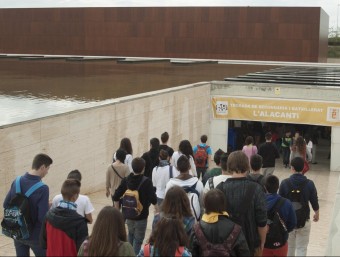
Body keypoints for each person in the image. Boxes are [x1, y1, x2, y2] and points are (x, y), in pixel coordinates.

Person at [216, 151, 267, 256]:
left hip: (225, 246)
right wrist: (262, 243)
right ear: (247, 166)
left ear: (229, 166)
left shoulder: (220, 189)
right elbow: (262, 222)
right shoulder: (256, 189)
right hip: (250, 245)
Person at [3, 153, 53, 256]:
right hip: (35, 236)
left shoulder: (16, 181)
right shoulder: (43, 188)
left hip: (17, 232)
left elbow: (6, 204)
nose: (47, 172)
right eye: (48, 168)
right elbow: (42, 217)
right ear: (42, 167)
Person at [113, 157, 157, 255]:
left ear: (132, 167)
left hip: (128, 215)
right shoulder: (147, 182)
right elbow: (153, 199)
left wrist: (117, 210)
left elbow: (115, 196)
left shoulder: (126, 180)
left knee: (130, 237)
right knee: (138, 241)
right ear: (143, 168)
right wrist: (157, 210)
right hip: (141, 217)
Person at [189, 189, 250, 256]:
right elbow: (244, 253)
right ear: (224, 204)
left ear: (205, 205)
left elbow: (191, 252)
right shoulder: (236, 229)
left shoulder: (196, 229)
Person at [279, 157, 319, 257]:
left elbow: (279, 203)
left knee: (290, 248)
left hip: (288, 221)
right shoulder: (309, 183)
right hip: (304, 220)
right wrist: (317, 213)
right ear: (303, 168)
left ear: (292, 168)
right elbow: (314, 200)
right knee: (302, 248)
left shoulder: (284, 183)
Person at [40, 179, 88, 256]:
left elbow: (43, 243)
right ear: (75, 196)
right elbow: (82, 251)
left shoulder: (48, 215)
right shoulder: (80, 222)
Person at [263, 175, 297, 257]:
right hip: (280, 243)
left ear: (264, 187)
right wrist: (283, 231)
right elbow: (293, 223)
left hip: (263, 243)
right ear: (278, 187)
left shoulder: (258, 201)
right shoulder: (287, 203)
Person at [166, 155, 204, 220]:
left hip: (176, 221)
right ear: (189, 167)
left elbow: (167, 203)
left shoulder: (170, 184)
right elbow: (201, 204)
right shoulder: (198, 183)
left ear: (177, 168)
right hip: (193, 220)